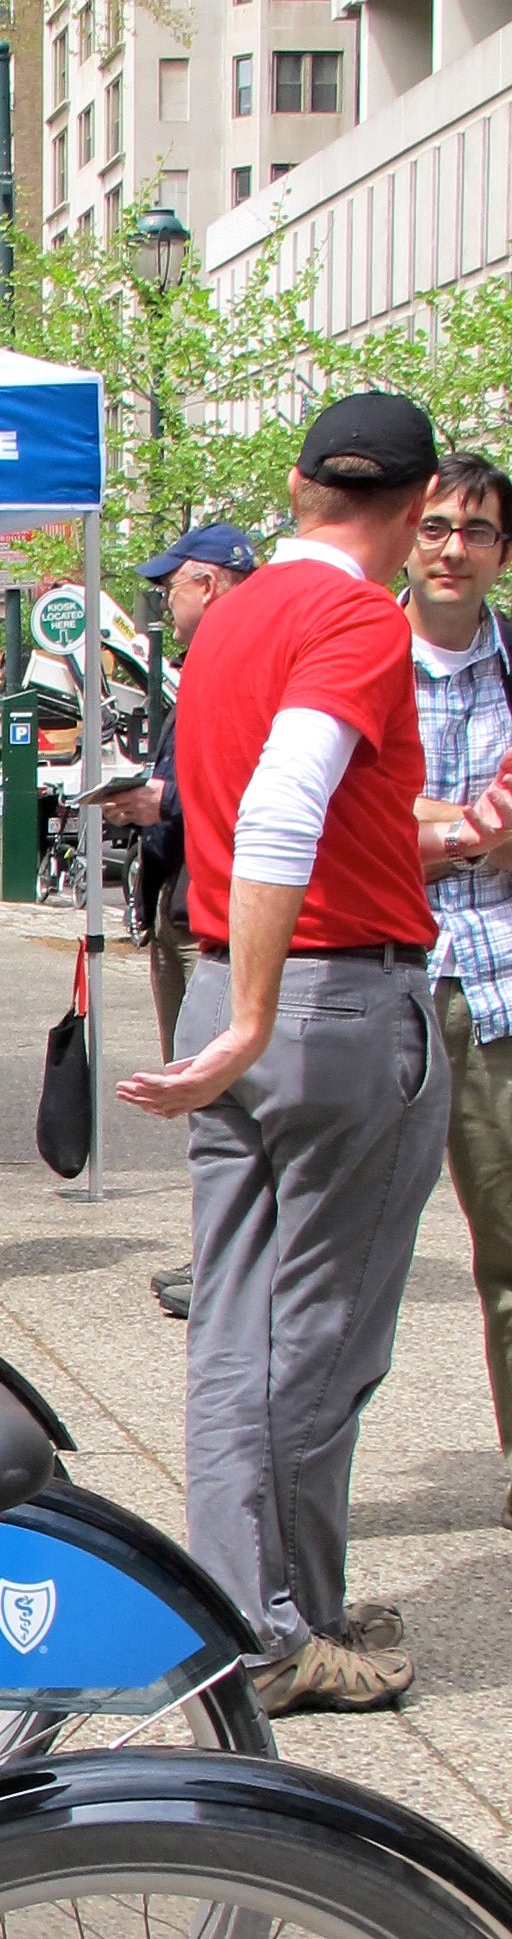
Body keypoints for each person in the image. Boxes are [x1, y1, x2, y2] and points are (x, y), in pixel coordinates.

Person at [117, 392, 451, 1717]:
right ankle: (265, 1633)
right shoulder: (357, 617)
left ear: (300, 483)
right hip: (326, 1007)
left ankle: (281, 1605)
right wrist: (259, 1010)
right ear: (419, 510)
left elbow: (288, 802)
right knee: (310, 1338)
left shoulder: (236, 612)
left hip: (250, 991)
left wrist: (240, 1007)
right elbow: (283, 804)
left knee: (249, 1331)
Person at [100, 521, 262, 1320]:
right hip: (186, 897)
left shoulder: (247, 662)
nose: (165, 598)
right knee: (206, 1096)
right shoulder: (205, 666)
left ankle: (229, 1270)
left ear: (214, 583)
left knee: (219, 1093)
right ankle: (222, 1260)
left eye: (175, 584)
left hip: (220, 911)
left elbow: (251, 786)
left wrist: (167, 798)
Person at [407, 453, 512, 1518]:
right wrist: (451, 830)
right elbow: (334, 819)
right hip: (381, 983)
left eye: (472, 532)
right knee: (341, 1273)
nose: (449, 549)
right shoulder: (356, 657)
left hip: (498, 987)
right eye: (433, 526)